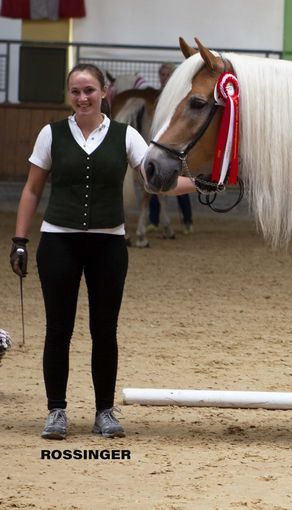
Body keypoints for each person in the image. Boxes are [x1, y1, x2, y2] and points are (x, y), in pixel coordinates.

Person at [8, 64, 196, 440]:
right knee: (58, 330)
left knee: (104, 330)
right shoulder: (51, 134)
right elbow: (31, 190)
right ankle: (56, 411)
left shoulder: (126, 136)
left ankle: (104, 411)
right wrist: (19, 240)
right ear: (69, 95)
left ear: (104, 92)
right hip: (58, 242)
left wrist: (204, 185)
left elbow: (157, 180)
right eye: (76, 91)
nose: (82, 98)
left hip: (108, 243)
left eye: (89, 90)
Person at [148, 62, 194, 235]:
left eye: (167, 75)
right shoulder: (156, 96)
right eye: (162, 74)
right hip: (161, 146)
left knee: (179, 186)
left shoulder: (178, 96)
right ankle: (154, 220)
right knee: (155, 184)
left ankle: (187, 221)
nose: (164, 78)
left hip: (176, 148)